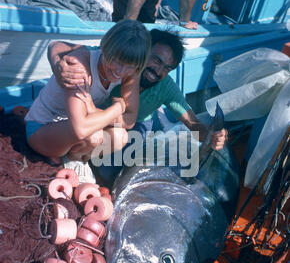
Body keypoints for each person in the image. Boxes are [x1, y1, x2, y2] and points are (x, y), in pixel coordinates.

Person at [47, 28, 227, 182]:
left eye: (166, 68)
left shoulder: (166, 87)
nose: (158, 71)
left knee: (107, 172)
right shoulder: (118, 62)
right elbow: (56, 45)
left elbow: (193, 123)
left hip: (133, 126)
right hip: (96, 117)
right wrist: (58, 65)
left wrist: (211, 135)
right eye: (156, 60)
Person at [25, 20, 151, 182]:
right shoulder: (80, 66)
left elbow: (130, 121)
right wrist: (118, 108)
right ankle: (66, 160)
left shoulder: (130, 70)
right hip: (41, 129)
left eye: (129, 66)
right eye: (116, 61)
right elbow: (80, 129)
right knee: (93, 135)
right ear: (105, 48)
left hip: (73, 128)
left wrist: (91, 109)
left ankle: (74, 159)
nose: (120, 71)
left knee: (120, 137)